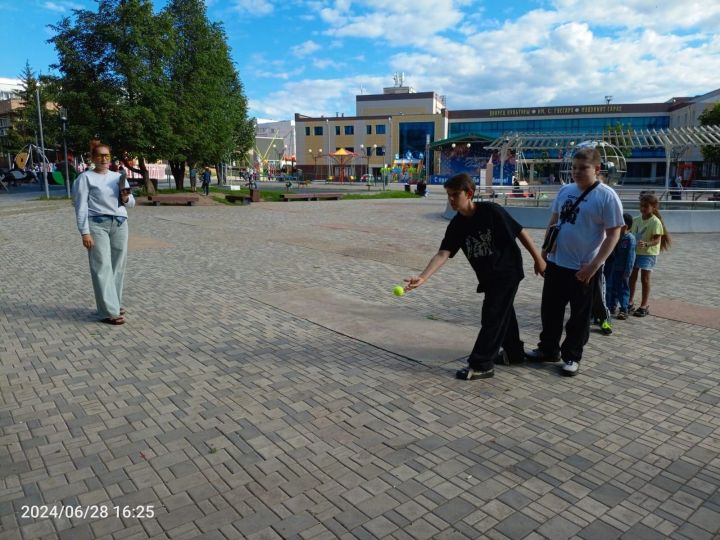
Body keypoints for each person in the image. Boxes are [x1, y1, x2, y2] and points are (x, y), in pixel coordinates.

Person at [403, 172, 546, 381]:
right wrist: (423, 277)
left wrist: (538, 259)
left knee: (492, 314)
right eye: (448, 195)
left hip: (508, 271)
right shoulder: (457, 225)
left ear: (469, 193)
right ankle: (514, 353)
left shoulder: (491, 211)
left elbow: (520, 232)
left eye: (454, 195)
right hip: (488, 276)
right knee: (504, 312)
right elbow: (443, 253)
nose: (450, 199)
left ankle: (481, 364)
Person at [526, 147, 623, 377]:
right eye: (574, 168)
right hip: (556, 263)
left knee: (579, 316)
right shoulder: (565, 190)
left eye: (583, 168)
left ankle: (572, 355)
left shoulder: (607, 196)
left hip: (583, 268)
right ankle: (548, 349)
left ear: (597, 169)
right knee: (550, 311)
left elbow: (613, 234)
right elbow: (554, 220)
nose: (577, 172)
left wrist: (595, 265)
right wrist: (543, 253)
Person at [72, 141, 135, 325]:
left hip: (120, 222)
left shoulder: (118, 176)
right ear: (93, 158)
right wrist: (84, 232)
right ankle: (108, 311)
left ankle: (113, 303)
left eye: (107, 155)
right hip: (97, 224)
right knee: (101, 266)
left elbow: (131, 203)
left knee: (117, 265)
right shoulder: (85, 178)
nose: (104, 158)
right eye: (100, 155)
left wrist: (125, 197)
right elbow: (80, 206)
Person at [628, 193, 671, 317]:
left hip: (648, 254)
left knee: (645, 279)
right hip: (635, 253)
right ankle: (629, 302)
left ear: (653, 207)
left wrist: (646, 244)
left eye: (646, 206)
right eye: (641, 206)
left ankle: (644, 305)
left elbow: (657, 240)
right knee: (632, 277)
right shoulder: (635, 220)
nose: (642, 209)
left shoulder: (655, 222)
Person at [606, 213, 636, 320]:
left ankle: (624, 309)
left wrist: (628, 271)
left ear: (625, 226)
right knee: (612, 287)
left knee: (623, 289)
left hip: (623, 270)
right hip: (614, 268)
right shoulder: (617, 237)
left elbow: (631, 257)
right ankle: (612, 306)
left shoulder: (630, 239)